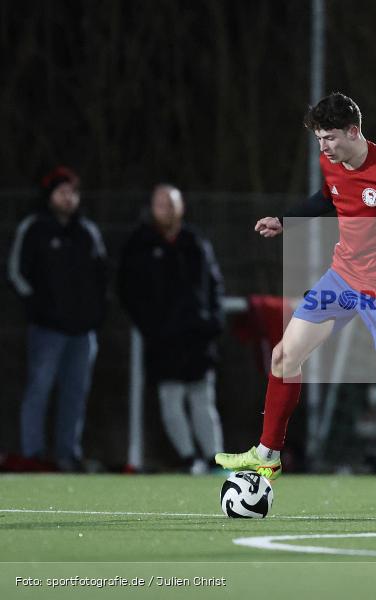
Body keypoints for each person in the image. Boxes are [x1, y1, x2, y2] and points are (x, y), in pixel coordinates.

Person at [215, 93, 376, 520]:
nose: (324, 147)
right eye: (318, 139)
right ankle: (268, 454)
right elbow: (329, 196)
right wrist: (286, 219)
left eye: (330, 138)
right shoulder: (331, 161)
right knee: (283, 355)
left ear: (354, 131)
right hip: (343, 278)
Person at [118, 184, 226, 474]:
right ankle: (190, 460)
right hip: (163, 339)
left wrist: (214, 320)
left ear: (181, 207)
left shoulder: (195, 243)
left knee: (203, 399)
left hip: (197, 337)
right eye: (160, 203)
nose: (165, 209)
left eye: (171, 203)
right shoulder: (140, 245)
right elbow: (127, 290)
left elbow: (214, 284)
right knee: (171, 399)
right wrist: (152, 327)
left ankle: (216, 459)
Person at [7, 166, 107, 471]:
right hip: (47, 329)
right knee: (39, 389)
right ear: (49, 195)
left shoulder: (87, 231)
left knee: (75, 394)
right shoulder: (34, 228)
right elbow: (16, 273)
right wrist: (38, 309)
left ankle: (67, 454)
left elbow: (102, 275)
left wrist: (94, 315)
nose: (69, 198)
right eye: (63, 192)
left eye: (73, 193)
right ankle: (32, 454)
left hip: (82, 331)